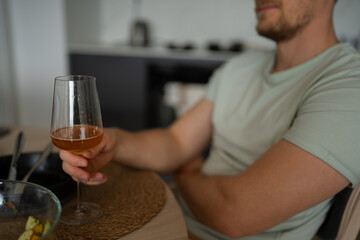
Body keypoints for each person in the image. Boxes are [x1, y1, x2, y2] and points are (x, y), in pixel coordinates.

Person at [60, 0, 360, 239]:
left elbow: (236, 214)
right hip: (177, 213)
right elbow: (176, 141)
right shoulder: (240, 67)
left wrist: (188, 174)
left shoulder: (348, 83)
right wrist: (113, 141)